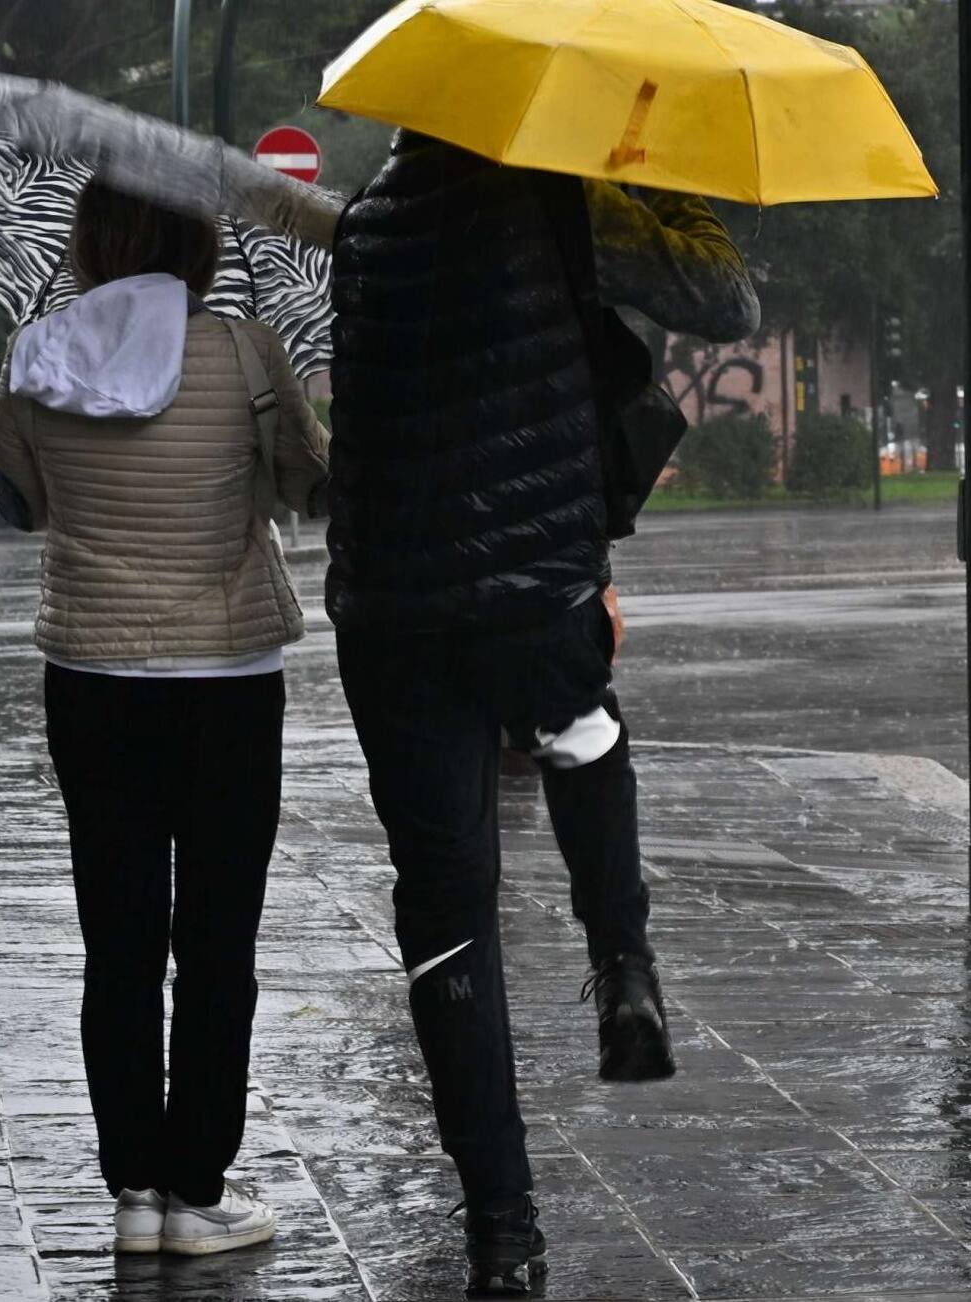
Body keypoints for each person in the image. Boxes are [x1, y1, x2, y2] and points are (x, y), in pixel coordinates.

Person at [327, 133, 757, 1294]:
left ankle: (502, 1227)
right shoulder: (568, 200)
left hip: (394, 617)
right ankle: (620, 956)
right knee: (584, 735)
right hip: (538, 594)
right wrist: (654, 169)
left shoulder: (366, 223)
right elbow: (725, 298)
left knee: (445, 910)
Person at [0, 181, 330, 1259]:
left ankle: (133, 1190)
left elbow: (24, 504)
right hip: (227, 679)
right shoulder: (244, 352)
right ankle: (197, 1190)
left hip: (91, 677)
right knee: (217, 942)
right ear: (198, 244)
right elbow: (304, 484)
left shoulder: (35, 358)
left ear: (88, 245)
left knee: (118, 939)